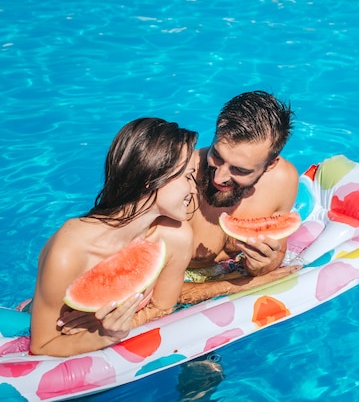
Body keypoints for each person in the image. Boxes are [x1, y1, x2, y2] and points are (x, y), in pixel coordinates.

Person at [29, 118, 198, 357]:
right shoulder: (69, 251)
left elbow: (163, 307)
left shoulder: (176, 237)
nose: (193, 189)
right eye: (187, 176)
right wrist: (104, 335)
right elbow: (42, 346)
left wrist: (114, 326)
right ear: (151, 177)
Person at [180, 91, 300, 304]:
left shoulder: (284, 180)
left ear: (269, 165)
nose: (220, 177)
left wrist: (261, 265)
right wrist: (235, 285)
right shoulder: (178, 181)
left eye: (240, 170)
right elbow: (153, 291)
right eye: (217, 155)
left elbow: (277, 252)